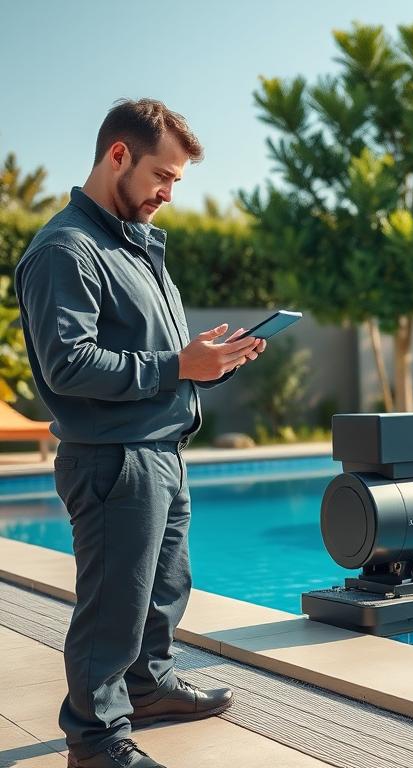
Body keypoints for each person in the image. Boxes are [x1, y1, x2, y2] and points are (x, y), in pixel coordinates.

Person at [14, 99, 267, 768]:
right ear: (117, 155)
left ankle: (148, 688)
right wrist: (180, 363)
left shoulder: (136, 248)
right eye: (163, 175)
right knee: (113, 608)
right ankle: (95, 741)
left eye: (178, 181)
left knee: (163, 589)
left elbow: (154, 361)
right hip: (112, 461)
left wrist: (204, 364)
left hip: (159, 449)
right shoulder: (67, 249)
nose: (168, 192)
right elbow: (69, 365)